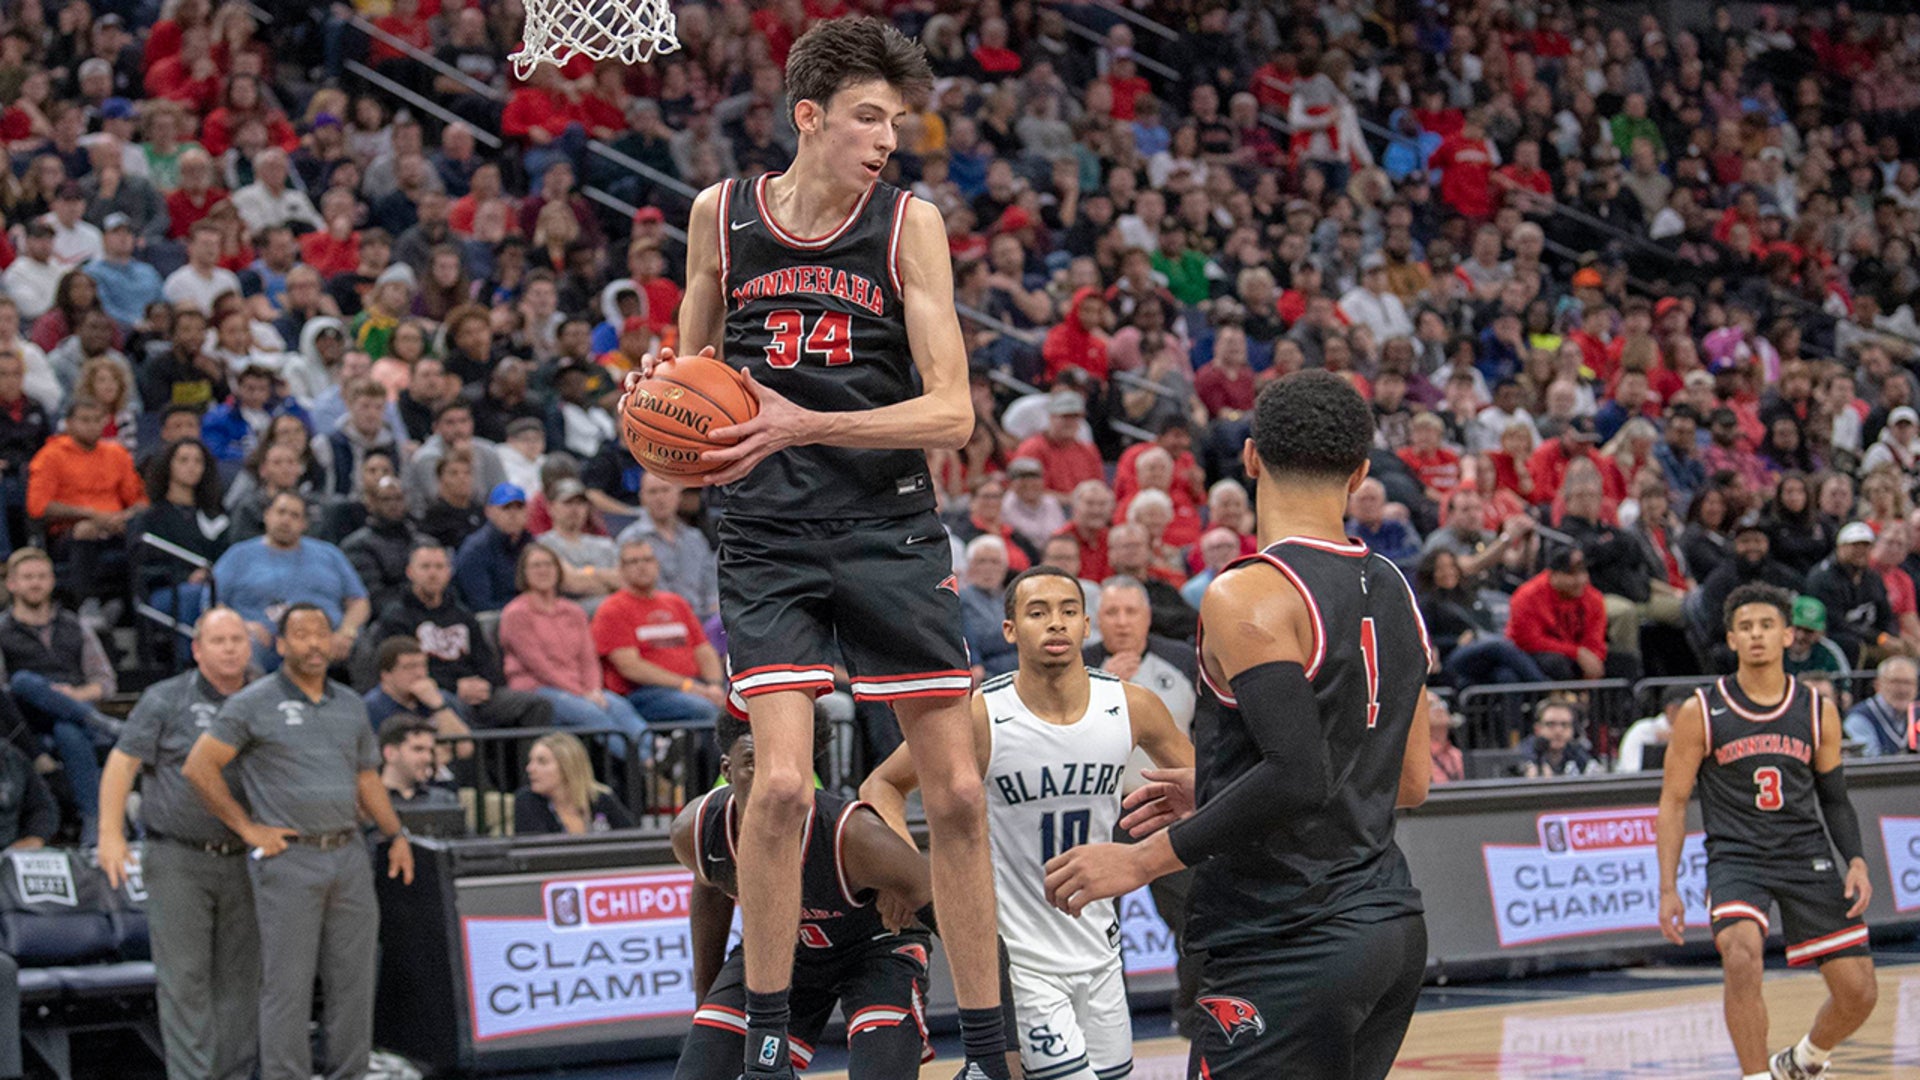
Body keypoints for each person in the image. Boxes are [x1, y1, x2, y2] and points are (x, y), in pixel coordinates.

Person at [620, 24, 1007, 1076]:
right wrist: (649, 398)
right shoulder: (721, 215)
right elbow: (691, 373)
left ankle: (993, 1049)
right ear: (810, 117)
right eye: (869, 118)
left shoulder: (907, 224)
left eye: (898, 120)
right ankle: (765, 1039)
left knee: (960, 795)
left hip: (887, 522)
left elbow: (954, 412)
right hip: (768, 532)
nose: (889, 138)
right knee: (781, 788)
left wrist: (806, 422)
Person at [1042, 371, 1432, 1080]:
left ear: (1249, 457)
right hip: (1390, 930)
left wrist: (1139, 860)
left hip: (1289, 936)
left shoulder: (1247, 590)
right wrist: (1221, 785)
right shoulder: (1398, 588)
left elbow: (1298, 774)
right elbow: (1406, 782)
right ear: (1361, 473)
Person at [862, 565, 1190, 1080]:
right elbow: (881, 784)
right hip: (1021, 962)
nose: (1055, 624)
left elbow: (1206, 792)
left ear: (1087, 626)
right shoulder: (981, 715)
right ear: (1011, 629)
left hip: (1101, 954)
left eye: (1067, 612)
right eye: (1037, 613)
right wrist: (907, 875)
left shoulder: (1132, 706)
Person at [182, 603, 414, 1080]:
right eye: (301, 635)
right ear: (281, 645)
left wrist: (395, 833)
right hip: (289, 860)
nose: (313, 643)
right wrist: (249, 829)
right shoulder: (252, 702)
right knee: (287, 986)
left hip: (349, 853)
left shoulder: (350, 703)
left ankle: (350, 1073)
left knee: (354, 982)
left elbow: (367, 777)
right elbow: (198, 769)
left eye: (321, 633)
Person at [1656, 584, 1878, 1080]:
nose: (1756, 635)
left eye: (1766, 626)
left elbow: (1835, 797)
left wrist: (1857, 860)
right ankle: (1755, 1076)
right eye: (1746, 628)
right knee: (1740, 953)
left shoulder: (1817, 710)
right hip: (1738, 858)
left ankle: (1804, 1060)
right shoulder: (1701, 711)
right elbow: (1672, 802)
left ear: (1786, 635)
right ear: (1732, 639)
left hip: (1806, 854)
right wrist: (1668, 887)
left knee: (1860, 993)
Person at [675, 710, 939, 1080]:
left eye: (780, 765)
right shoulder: (698, 828)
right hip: (784, 950)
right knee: (702, 1070)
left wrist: (994, 1036)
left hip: (876, 948)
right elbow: (711, 892)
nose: (768, 781)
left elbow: (953, 915)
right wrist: (705, 1003)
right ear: (727, 768)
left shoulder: (853, 833)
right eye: (752, 763)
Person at [95, 607, 260, 1080]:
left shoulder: (264, 697)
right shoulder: (166, 698)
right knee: (186, 980)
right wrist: (110, 833)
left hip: (246, 857)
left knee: (241, 983)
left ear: (249, 647)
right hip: (178, 856)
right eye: (219, 640)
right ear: (197, 649)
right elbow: (122, 763)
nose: (229, 648)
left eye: (237, 639)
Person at [363, 541, 552, 730]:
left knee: (536, 704)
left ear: (449, 572)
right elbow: (403, 670)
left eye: (439, 567)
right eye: (425, 567)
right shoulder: (396, 617)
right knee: (448, 702)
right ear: (410, 572)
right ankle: (470, 757)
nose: (433, 573)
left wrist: (484, 685)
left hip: (477, 695)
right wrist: (455, 687)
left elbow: (486, 661)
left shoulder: (463, 615)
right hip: (431, 696)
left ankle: (530, 759)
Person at [0, 548, 119, 843]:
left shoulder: (75, 625)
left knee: (68, 731)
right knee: (23, 680)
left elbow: (105, 681)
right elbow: (1, 690)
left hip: (70, 717)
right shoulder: (1, 629)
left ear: (52, 581)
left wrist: (75, 694)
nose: (35, 583)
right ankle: (99, 723)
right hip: (26, 721)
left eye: (41, 576)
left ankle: (93, 824)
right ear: (12, 584)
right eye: (28, 577)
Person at [498, 543, 648, 755]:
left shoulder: (574, 611)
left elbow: (588, 658)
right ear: (524, 573)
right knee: (592, 714)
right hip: (538, 688)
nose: (543, 570)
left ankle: (657, 751)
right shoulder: (516, 614)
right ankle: (643, 763)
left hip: (580, 687)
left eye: (549, 565)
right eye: (536, 566)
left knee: (619, 706)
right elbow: (540, 666)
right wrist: (581, 693)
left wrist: (594, 689)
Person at [210, 491, 369, 670]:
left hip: (328, 639)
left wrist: (347, 632)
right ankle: (255, 697)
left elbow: (359, 601)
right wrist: (242, 626)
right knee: (243, 644)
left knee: (367, 645)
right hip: (266, 641)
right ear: (267, 515)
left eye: (294, 516)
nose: (286, 520)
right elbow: (213, 604)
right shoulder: (238, 555)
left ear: (304, 524)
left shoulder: (329, 554)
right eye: (281, 512)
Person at [592, 539, 727, 725]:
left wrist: (714, 685)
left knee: (741, 703)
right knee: (704, 708)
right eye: (633, 562)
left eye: (647, 560)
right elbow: (630, 667)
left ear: (656, 565)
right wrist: (688, 686)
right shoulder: (612, 609)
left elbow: (703, 650)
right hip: (644, 693)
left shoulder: (676, 603)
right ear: (621, 569)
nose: (642, 567)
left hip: (696, 685)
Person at [615, 472, 719, 621]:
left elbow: (711, 585)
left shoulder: (695, 538)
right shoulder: (630, 539)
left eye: (665, 490)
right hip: (654, 620)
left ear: (678, 495)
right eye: (653, 492)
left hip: (702, 620)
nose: (660, 498)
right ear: (642, 497)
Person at [1806, 522, 1907, 667]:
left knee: (1907, 647)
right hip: (1838, 637)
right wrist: (1879, 638)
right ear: (1840, 547)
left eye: (1865, 546)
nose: (1860, 551)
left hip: (1870, 635)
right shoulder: (1822, 578)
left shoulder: (1872, 577)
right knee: (1854, 647)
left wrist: (1892, 635)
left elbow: (1886, 615)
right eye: (1855, 546)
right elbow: (1836, 622)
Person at [512, 731, 634, 835]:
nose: (530, 768)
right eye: (530, 761)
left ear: (568, 767)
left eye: (542, 762)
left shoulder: (600, 798)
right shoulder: (527, 801)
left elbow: (633, 840)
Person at [451, 482, 531, 612]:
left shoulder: (531, 544)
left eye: (519, 507)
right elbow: (481, 604)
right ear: (489, 511)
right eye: (506, 508)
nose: (513, 514)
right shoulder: (476, 549)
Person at [1842, 656, 1919, 757]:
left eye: (1908, 683)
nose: (1902, 689)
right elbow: (1869, 761)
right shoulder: (1860, 717)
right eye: (1895, 682)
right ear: (1878, 685)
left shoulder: (1916, 714)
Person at [377, 716, 459, 809]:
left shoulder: (444, 801)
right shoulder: (365, 803)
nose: (428, 758)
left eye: (431, 751)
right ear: (390, 753)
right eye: (418, 749)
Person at [1520, 699, 1598, 777]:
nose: (1558, 731)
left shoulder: (1576, 751)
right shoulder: (1523, 752)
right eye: (1550, 724)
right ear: (1537, 729)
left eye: (1565, 724)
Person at [1784, 596, 1851, 679]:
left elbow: (1845, 686)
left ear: (1820, 632)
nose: (1799, 636)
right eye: (1797, 628)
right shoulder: (1774, 646)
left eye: (1808, 631)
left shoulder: (1830, 652)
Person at [1428, 697, 1464, 785]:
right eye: (1431, 705)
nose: (1440, 708)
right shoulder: (1417, 758)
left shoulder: (1456, 754)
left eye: (1441, 703)